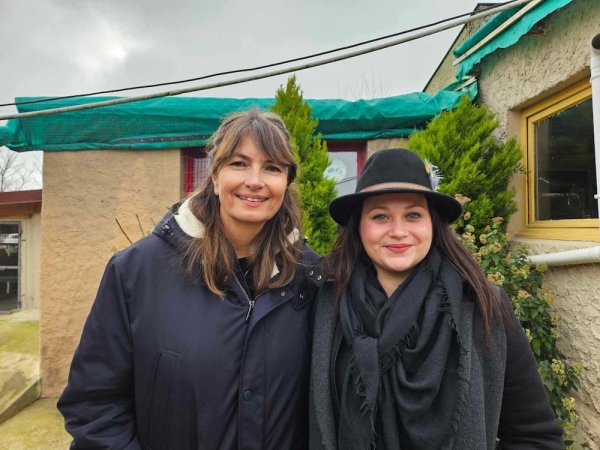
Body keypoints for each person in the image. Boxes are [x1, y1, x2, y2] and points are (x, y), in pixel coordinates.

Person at [58, 109, 322, 450]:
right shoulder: (137, 271)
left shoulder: (309, 278)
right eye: (239, 164)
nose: (255, 180)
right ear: (214, 177)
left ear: (286, 183)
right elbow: (95, 406)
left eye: (272, 167)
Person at [309, 148, 563, 449]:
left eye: (413, 215)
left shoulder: (482, 306)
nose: (399, 231)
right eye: (380, 216)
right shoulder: (324, 304)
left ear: (433, 223)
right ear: (359, 226)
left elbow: (535, 436)